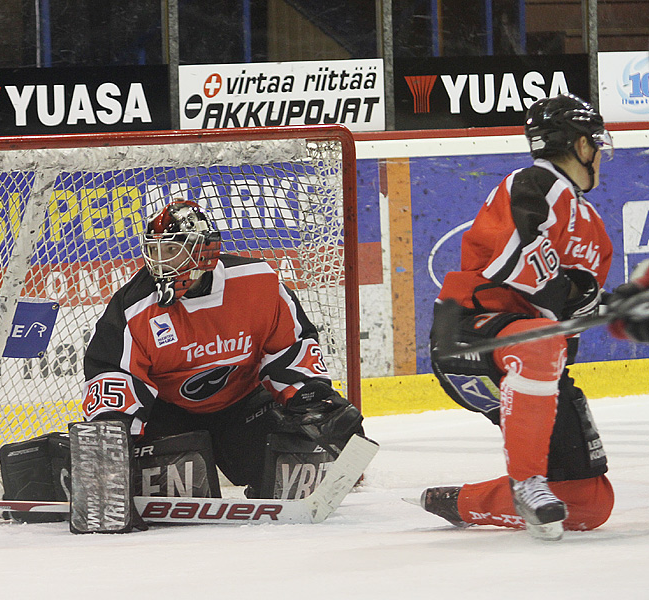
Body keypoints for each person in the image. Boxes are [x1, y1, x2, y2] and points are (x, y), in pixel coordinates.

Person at [423, 93, 616, 541]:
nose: (599, 155)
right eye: (594, 144)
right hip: (471, 335)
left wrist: (600, 305)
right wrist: (580, 297)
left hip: (534, 360)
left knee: (588, 504)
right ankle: (527, 480)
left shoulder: (597, 233)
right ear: (579, 146)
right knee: (542, 338)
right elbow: (516, 265)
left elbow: (574, 315)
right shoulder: (534, 184)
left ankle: (457, 502)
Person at [80, 199, 363, 498]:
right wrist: (109, 445)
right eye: (154, 251)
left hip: (243, 407)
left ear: (203, 250)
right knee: (159, 485)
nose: (160, 262)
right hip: (168, 416)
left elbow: (289, 349)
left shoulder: (257, 282)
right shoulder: (134, 306)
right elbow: (114, 375)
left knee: (298, 459)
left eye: (172, 251)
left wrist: (313, 400)